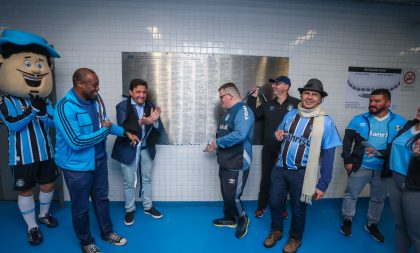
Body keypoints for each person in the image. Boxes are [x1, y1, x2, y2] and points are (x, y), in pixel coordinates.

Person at [54, 68, 139, 253]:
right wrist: (104, 130)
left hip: (99, 161)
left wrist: (125, 133)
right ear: (80, 84)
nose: (98, 88)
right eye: (94, 85)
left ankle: (107, 233)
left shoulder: (95, 101)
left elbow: (107, 124)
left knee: (102, 200)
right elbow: (76, 142)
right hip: (77, 168)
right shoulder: (64, 107)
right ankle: (86, 242)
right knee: (81, 207)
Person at [264, 79, 342, 253]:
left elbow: (329, 156)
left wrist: (323, 184)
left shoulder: (326, 122)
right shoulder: (291, 114)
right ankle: (276, 231)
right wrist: (278, 133)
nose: (310, 97)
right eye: (307, 93)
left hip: (302, 174)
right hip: (279, 169)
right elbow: (280, 131)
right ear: (301, 95)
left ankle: (295, 238)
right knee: (275, 203)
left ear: (320, 99)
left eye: (315, 94)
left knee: (298, 210)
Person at [0, 29, 61, 246]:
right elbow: (12, 124)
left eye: (39, 64)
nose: (35, 71)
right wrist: (33, 111)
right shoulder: (5, 101)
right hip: (21, 156)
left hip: (45, 152)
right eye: (28, 64)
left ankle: (44, 215)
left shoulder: (46, 101)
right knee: (25, 190)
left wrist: (43, 112)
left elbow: (55, 123)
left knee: (48, 185)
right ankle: (32, 226)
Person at [340, 88, 406, 243]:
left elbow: (401, 146)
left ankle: (372, 224)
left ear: (388, 102)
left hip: (384, 169)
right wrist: (347, 161)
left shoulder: (400, 122)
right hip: (360, 166)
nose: (372, 104)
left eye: (377, 101)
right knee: (351, 194)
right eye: (371, 101)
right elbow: (347, 141)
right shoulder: (358, 119)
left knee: (378, 199)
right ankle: (347, 219)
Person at [204, 82, 254, 239]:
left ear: (230, 96)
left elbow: (240, 134)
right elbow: (224, 135)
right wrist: (215, 146)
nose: (221, 101)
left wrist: (218, 143)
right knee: (226, 194)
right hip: (225, 161)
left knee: (233, 196)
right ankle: (230, 218)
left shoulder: (243, 110)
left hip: (237, 161)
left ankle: (243, 218)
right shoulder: (228, 113)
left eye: (221, 97)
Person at [111, 78, 163, 226]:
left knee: (146, 179)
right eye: (138, 92)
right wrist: (139, 123)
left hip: (146, 149)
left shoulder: (151, 106)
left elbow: (159, 130)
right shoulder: (122, 106)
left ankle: (148, 207)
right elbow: (121, 127)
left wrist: (155, 121)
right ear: (130, 92)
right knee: (129, 182)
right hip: (129, 148)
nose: (141, 95)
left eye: (144, 92)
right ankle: (129, 210)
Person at [247, 75, 300, 218]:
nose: (273, 86)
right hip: (269, 149)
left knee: (284, 180)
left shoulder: (297, 104)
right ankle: (261, 206)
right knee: (266, 178)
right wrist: (253, 97)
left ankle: (282, 207)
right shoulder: (267, 105)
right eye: (273, 84)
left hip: (288, 150)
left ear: (286, 87)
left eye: (277, 83)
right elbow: (251, 116)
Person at [387, 107, 420, 253]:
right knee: (400, 224)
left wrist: (417, 157)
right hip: (395, 178)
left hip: (414, 185)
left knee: (415, 232)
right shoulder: (409, 125)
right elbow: (396, 148)